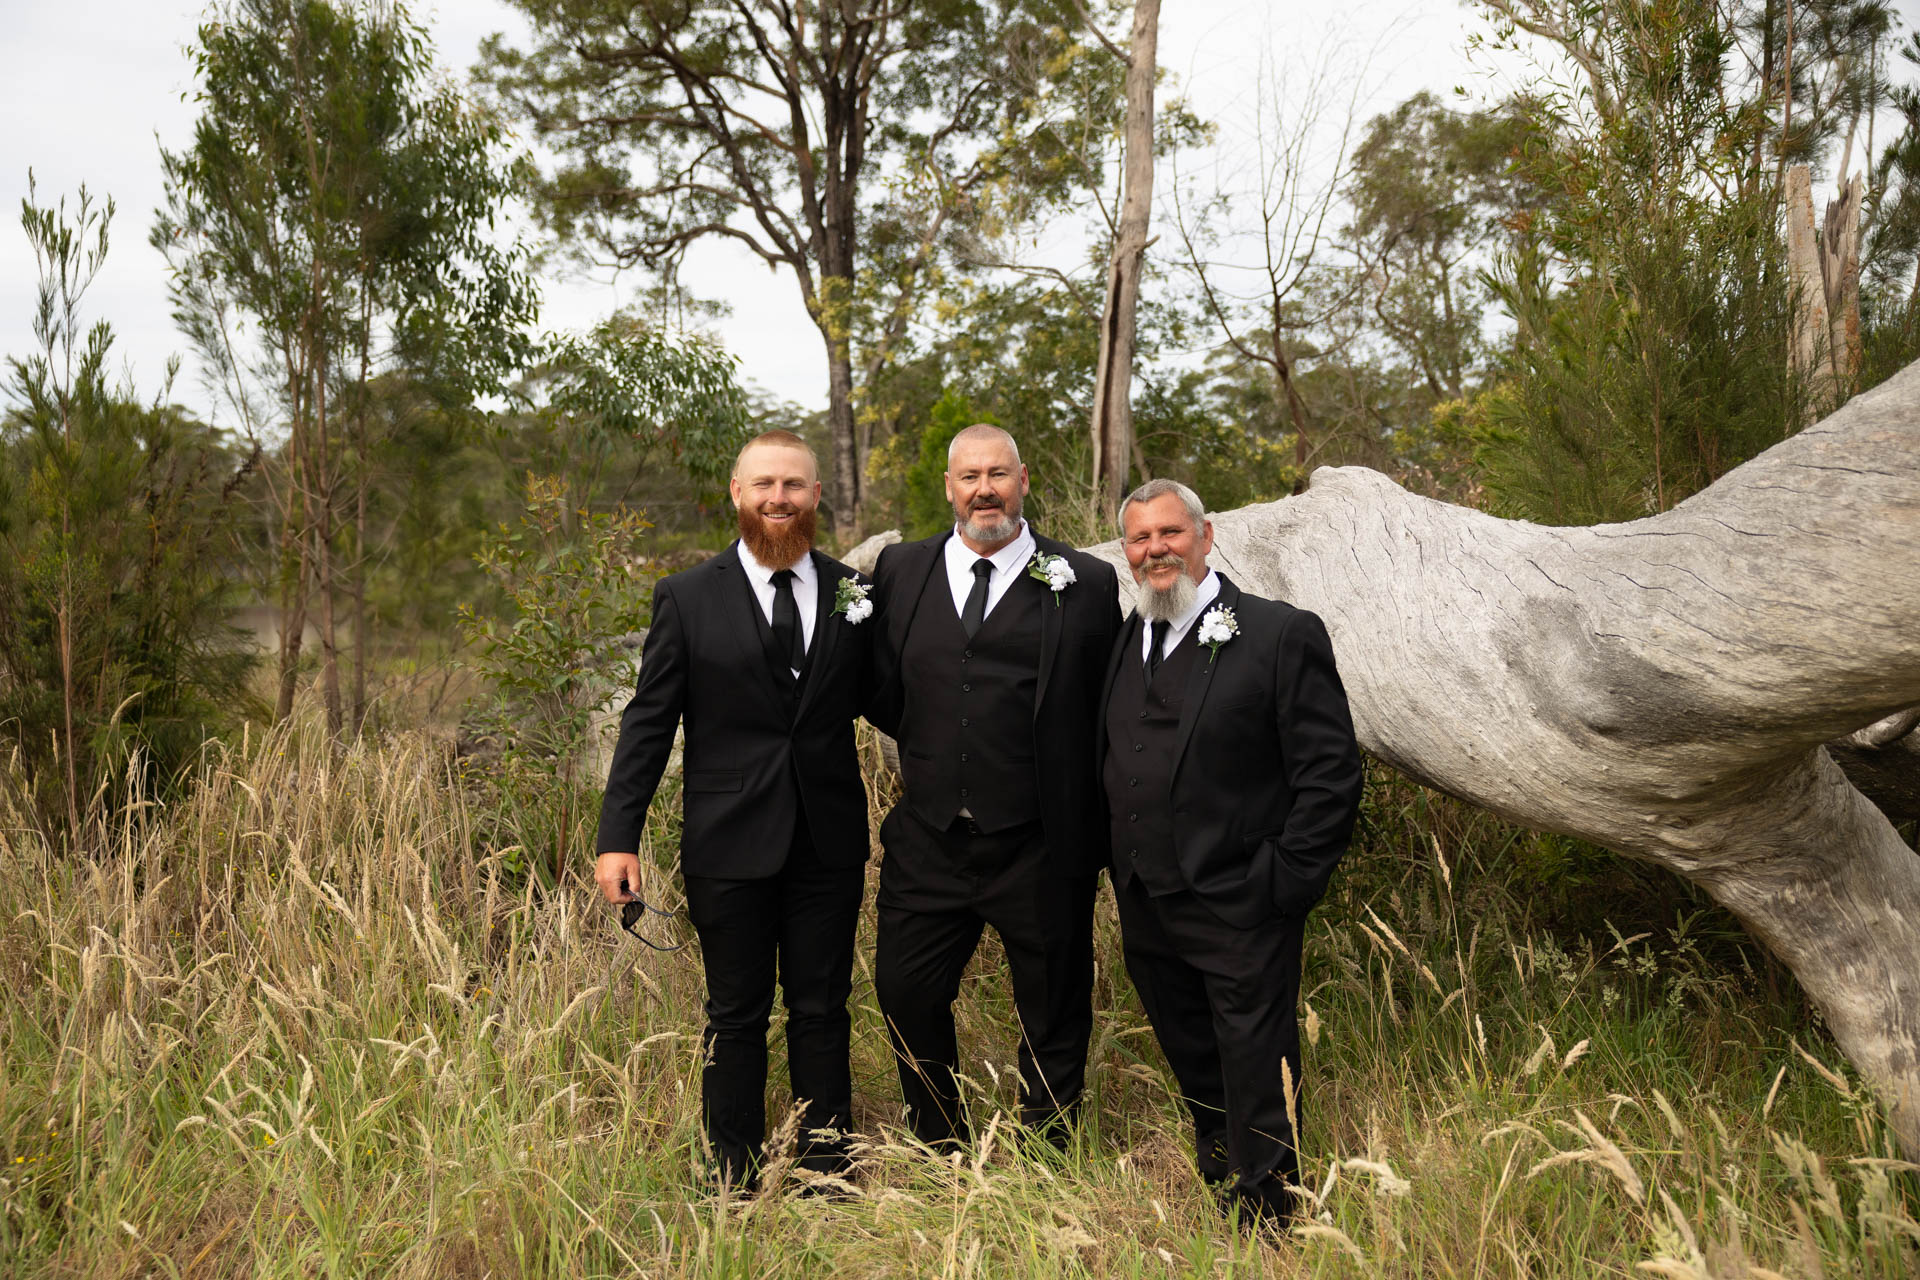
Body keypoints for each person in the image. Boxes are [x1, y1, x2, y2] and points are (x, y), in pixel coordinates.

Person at [593, 429, 873, 1191]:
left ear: (816, 495)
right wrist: (618, 837)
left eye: (793, 485)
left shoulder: (854, 592)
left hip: (828, 839)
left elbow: (892, 699)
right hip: (727, 840)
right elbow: (649, 722)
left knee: (823, 1007)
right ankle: (733, 1175)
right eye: (764, 485)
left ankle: (826, 1169)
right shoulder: (686, 596)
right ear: (737, 493)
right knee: (735, 1012)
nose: (779, 498)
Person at [1099, 477, 1362, 1228]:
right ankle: (1223, 1182)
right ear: (1127, 551)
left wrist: (1283, 883)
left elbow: (1331, 774)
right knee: (1191, 1051)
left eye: (1170, 533)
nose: (1156, 550)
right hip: (1148, 899)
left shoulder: (1280, 633)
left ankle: (1273, 1216)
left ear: (1205, 537)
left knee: (1256, 1060)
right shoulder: (1124, 638)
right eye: (1141, 538)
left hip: (1244, 898)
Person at [864, 424, 1122, 1150]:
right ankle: (940, 1142)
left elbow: (1106, 702)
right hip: (930, 835)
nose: (985, 490)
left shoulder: (1086, 582)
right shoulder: (900, 571)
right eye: (970, 476)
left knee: (1055, 1003)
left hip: (1039, 840)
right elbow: (880, 686)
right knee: (905, 990)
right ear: (950, 486)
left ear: (1023, 480)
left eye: (998, 474)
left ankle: (1049, 1147)